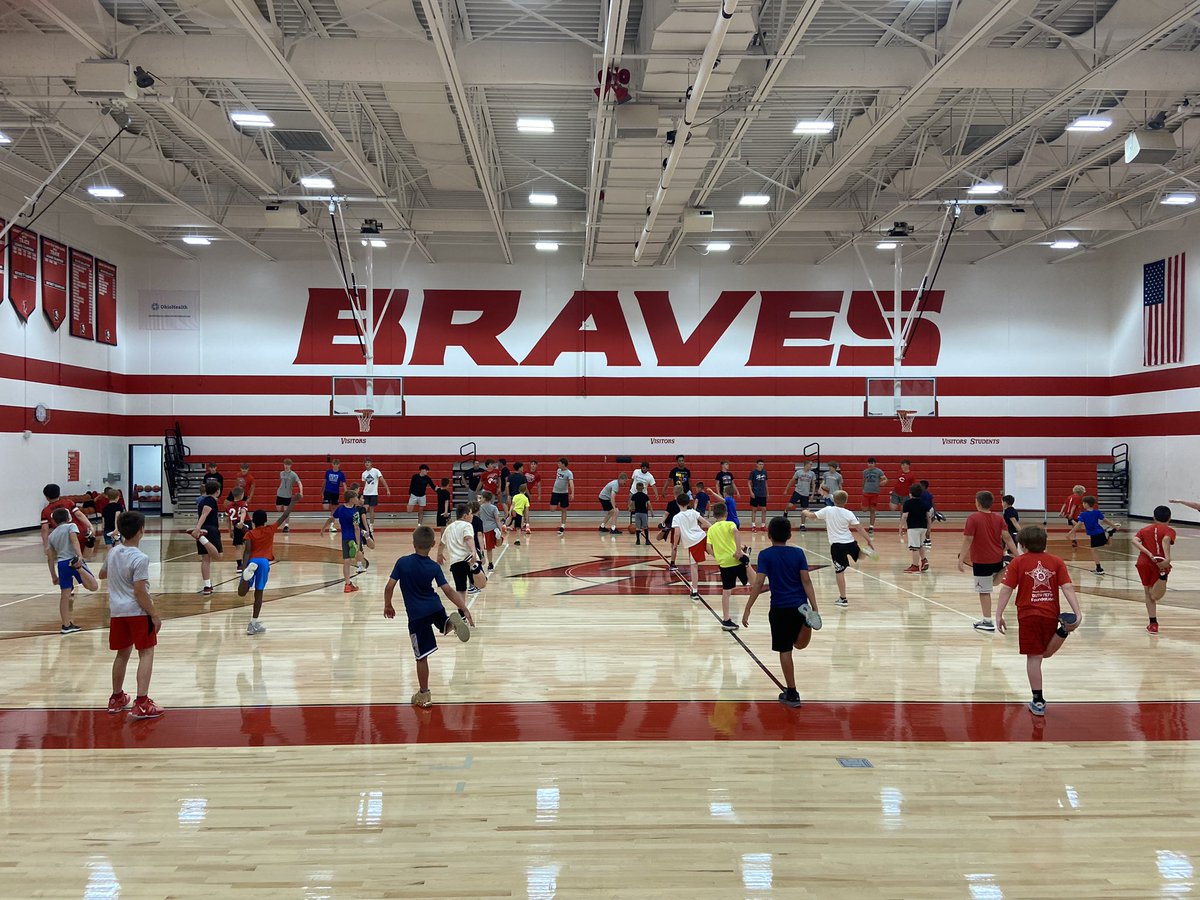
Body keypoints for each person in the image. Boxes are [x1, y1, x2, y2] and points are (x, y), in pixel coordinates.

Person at [994, 525, 1082, 717]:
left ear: (1023, 545)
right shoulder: (1056, 561)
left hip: (1028, 615)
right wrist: (1078, 611)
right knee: (1044, 654)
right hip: (1051, 613)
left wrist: (998, 614)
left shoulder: (1018, 563)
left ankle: (1038, 700)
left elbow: (1006, 589)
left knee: (1035, 657)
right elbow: (1067, 587)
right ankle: (1063, 631)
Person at [383, 526, 475, 709]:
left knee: (421, 657)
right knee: (443, 625)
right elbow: (448, 590)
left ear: (413, 543)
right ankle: (450, 622)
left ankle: (424, 694)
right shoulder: (434, 567)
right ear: (433, 544)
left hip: (417, 616)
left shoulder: (402, 562)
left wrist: (388, 605)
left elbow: (389, 586)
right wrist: (464, 607)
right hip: (435, 606)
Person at [741, 517, 822, 708]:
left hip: (779, 608)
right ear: (789, 534)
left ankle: (792, 693)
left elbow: (759, 583)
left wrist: (748, 607)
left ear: (769, 535)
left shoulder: (765, 555)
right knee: (800, 645)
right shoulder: (798, 553)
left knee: (786, 650)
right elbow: (806, 581)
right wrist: (815, 607)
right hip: (800, 605)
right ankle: (806, 622)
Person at [99, 510, 164, 719]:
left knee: (122, 655)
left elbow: (102, 574)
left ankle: (116, 697)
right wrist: (154, 614)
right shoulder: (140, 558)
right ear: (141, 531)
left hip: (117, 612)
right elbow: (139, 591)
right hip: (137, 611)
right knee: (146, 653)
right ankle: (142, 702)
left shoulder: (113, 552)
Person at [957, 490, 1019, 632]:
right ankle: (1006, 564)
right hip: (997, 557)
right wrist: (1018, 556)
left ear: (978, 503)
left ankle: (987, 621)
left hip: (981, 560)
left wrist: (961, 559)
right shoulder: (998, 518)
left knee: (984, 591)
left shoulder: (973, 518)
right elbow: (1007, 538)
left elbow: (968, 539)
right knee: (993, 582)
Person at [801, 489, 876, 608]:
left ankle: (843, 598)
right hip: (850, 542)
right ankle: (864, 551)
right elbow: (859, 528)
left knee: (839, 571)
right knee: (858, 556)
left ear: (833, 500)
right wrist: (869, 540)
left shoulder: (828, 510)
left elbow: (812, 516)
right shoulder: (849, 513)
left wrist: (805, 511)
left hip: (837, 546)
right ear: (845, 501)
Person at [238, 500, 294, 635]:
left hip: (252, 561)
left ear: (253, 521)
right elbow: (285, 515)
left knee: (241, 593)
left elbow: (247, 551)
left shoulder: (250, 534)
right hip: (263, 562)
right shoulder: (270, 529)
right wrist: (294, 502)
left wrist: (244, 567)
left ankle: (246, 575)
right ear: (265, 520)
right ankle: (253, 624)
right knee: (259, 594)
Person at [46, 507, 99, 634]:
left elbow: (50, 558)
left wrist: (53, 576)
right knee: (93, 586)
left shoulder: (51, 535)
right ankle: (80, 570)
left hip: (62, 564)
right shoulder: (71, 526)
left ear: (54, 521)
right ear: (68, 517)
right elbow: (74, 541)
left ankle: (66, 625)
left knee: (65, 596)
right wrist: (79, 557)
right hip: (73, 560)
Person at [706, 500, 750, 631]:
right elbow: (736, 532)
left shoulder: (711, 529)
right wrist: (738, 550)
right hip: (736, 560)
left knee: (726, 591)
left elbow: (708, 548)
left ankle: (726, 620)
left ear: (714, 515)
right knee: (754, 582)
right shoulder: (730, 523)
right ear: (726, 513)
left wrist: (717, 556)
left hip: (724, 564)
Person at [1134, 505, 1176, 634]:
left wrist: (1148, 553)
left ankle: (1153, 623)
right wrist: (1167, 558)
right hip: (1160, 563)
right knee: (1156, 595)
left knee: (1148, 593)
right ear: (1169, 518)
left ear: (1153, 517)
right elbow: (1165, 540)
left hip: (1144, 562)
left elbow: (1135, 540)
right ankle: (1163, 575)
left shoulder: (1144, 529)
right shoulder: (1169, 531)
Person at [438, 504, 488, 597]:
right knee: (481, 584)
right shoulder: (467, 525)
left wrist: (439, 555)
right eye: (470, 513)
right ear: (465, 516)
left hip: (455, 562)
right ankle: (475, 568)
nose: (472, 515)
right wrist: (473, 551)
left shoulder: (449, 527)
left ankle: (461, 610)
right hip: (468, 559)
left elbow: (441, 543)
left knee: (460, 590)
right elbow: (468, 538)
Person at [321, 490, 365, 593]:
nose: (357, 499)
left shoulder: (340, 509)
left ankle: (347, 584)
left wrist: (323, 528)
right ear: (351, 499)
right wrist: (359, 544)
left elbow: (331, 518)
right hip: (353, 538)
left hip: (345, 538)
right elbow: (357, 528)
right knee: (358, 556)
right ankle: (358, 569)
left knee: (346, 561)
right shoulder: (355, 512)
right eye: (356, 497)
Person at [669, 495, 711, 602]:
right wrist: (715, 529)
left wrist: (674, 545)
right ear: (688, 503)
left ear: (677, 503)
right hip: (702, 537)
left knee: (694, 567)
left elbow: (677, 533)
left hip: (693, 542)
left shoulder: (676, 517)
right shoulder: (693, 512)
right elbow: (705, 522)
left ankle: (695, 591)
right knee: (718, 554)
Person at [1067, 496, 1121, 575]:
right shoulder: (1097, 512)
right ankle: (1110, 534)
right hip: (1100, 531)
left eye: (1083, 503)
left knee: (1094, 551)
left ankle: (1099, 569)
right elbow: (1105, 520)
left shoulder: (1083, 514)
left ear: (1086, 504)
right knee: (1107, 544)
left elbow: (1078, 525)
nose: (1083, 504)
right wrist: (1114, 526)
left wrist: (1070, 533)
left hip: (1094, 534)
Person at [189, 479, 224, 595]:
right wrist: (197, 529)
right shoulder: (210, 501)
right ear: (217, 491)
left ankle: (207, 586)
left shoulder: (203, 500)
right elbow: (205, 513)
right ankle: (202, 538)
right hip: (210, 530)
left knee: (206, 559)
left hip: (204, 529)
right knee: (219, 556)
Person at [40, 483, 95, 556]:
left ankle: (77, 563)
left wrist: (46, 545)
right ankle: (83, 560)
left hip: (64, 537)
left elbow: (44, 529)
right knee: (84, 554)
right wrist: (90, 526)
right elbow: (79, 514)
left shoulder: (45, 511)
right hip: (79, 531)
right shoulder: (68, 502)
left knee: (69, 556)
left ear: (46, 497)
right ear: (59, 493)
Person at [900, 484, 931, 574]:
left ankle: (915, 566)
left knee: (914, 548)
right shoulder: (925, 503)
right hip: (923, 527)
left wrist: (900, 526)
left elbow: (905, 516)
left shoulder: (907, 503)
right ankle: (924, 560)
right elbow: (928, 517)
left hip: (913, 528)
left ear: (910, 494)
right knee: (920, 545)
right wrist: (929, 528)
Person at [784, 461, 816, 530]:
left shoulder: (812, 473)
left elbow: (813, 484)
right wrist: (786, 489)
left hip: (806, 494)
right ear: (806, 465)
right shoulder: (798, 472)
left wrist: (812, 494)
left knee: (804, 510)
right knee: (790, 505)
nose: (811, 466)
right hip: (797, 491)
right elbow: (791, 481)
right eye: (810, 464)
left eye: (811, 465)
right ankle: (785, 512)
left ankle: (802, 525)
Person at [360, 457, 390, 528]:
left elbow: (382, 480)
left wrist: (387, 489)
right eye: (366, 462)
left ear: (371, 463)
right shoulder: (364, 474)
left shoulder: (376, 471)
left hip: (373, 493)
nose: (367, 463)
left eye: (368, 462)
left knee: (371, 509)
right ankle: (364, 524)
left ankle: (371, 525)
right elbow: (364, 484)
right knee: (364, 509)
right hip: (366, 494)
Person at [861, 457, 888, 533]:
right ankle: (870, 507)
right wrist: (863, 488)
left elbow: (885, 479)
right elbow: (864, 480)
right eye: (869, 463)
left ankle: (871, 527)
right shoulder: (865, 472)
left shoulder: (878, 471)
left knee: (872, 510)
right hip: (866, 492)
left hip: (875, 493)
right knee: (864, 509)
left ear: (874, 464)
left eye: (872, 463)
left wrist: (883, 482)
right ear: (867, 463)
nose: (870, 465)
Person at [226, 487, 250, 572]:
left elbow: (228, 520)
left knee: (238, 547)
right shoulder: (243, 503)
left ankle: (239, 566)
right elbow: (243, 512)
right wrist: (242, 522)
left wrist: (230, 530)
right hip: (245, 523)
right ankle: (248, 563)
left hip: (235, 526)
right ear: (242, 494)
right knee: (249, 545)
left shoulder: (228, 506)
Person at [276, 459, 303, 534]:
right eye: (285, 464)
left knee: (286, 511)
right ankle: (284, 521)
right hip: (279, 494)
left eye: (288, 465)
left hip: (287, 495)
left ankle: (286, 526)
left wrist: (301, 492)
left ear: (290, 465)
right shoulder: (281, 473)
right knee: (278, 509)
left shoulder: (293, 474)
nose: (286, 466)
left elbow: (299, 483)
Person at [479, 491, 504, 570]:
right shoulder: (494, 507)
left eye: (481, 497)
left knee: (489, 548)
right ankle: (498, 537)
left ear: (485, 498)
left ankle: (490, 564)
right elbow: (497, 519)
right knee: (498, 544)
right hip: (494, 527)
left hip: (486, 529)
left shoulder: (480, 507)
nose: (480, 499)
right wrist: (500, 528)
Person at [550, 458, 574, 535]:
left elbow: (571, 483)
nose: (558, 464)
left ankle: (562, 526)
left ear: (563, 464)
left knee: (564, 510)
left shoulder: (569, 473)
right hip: (555, 492)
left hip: (564, 493)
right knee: (552, 509)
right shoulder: (558, 470)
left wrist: (572, 493)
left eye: (559, 463)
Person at [748, 459, 769, 531]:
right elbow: (749, 482)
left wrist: (767, 493)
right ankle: (753, 525)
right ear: (756, 464)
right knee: (754, 509)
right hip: (755, 493)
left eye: (762, 464)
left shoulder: (765, 472)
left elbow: (766, 483)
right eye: (760, 464)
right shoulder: (753, 472)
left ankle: (763, 525)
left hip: (763, 493)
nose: (761, 466)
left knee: (764, 509)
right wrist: (751, 492)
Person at [1002, 495, 1021, 559]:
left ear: (1005, 503)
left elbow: (1014, 522)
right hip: (1012, 532)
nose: (1002, 504)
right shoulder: (1013, 510)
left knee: (1010, 550)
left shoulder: (1008, 511)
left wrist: (1021, 532)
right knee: (1010, 551)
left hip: (1010, 533)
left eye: (1002, 502)